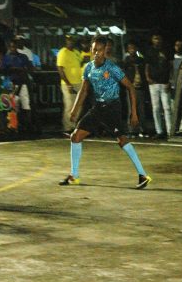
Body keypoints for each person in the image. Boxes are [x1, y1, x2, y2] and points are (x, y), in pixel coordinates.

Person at [59, 35, 151, 189]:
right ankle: (74, 176)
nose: (97, 53)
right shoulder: (88, 67)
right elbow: (84, 89)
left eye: (100, 50)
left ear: (105, 51)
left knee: (121, 140)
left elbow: (130, 87)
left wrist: (133, 113)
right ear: (90, 50)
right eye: (94, 50)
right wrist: (75, 109)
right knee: (75, 137)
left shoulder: (112, 68)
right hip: (98, 108)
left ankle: (143, 174)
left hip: (112, 108)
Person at [1, 39, 33, 133]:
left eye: (14, 46)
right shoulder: (6, 58)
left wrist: (20, 70)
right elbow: (4, 70)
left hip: (23, 83)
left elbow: (29, 68)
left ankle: (27, 126)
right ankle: (13, 126)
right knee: (13, 105)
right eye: (11, 47)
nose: (12, 48)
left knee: (26, 104)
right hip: (11, 84)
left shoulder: (23, 56)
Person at [145, 34, 173, 139]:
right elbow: (147, 65)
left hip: (165, 82)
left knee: (167, 107)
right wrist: (147, 77)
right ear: (152, 40)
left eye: (159, 38)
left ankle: (170, 131)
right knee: (156, 108)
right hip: (153, 83)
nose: (157, 40)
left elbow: (171, 67)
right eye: (155, 38)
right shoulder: (149, 51)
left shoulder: (167, 50)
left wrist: (170, 80)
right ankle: (159, 131)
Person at [57, 35, 84, 133]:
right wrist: (68, 83)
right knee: (69, 104)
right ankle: (67, 127)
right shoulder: (62, 52)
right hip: (68, 83)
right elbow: (60, 68)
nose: (70, 42)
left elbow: (81, 64)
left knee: (78, 105)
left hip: (79, 82)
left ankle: (74, 125)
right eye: (69, 41)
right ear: (66, 42)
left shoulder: (77, 52)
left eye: (72, 40)